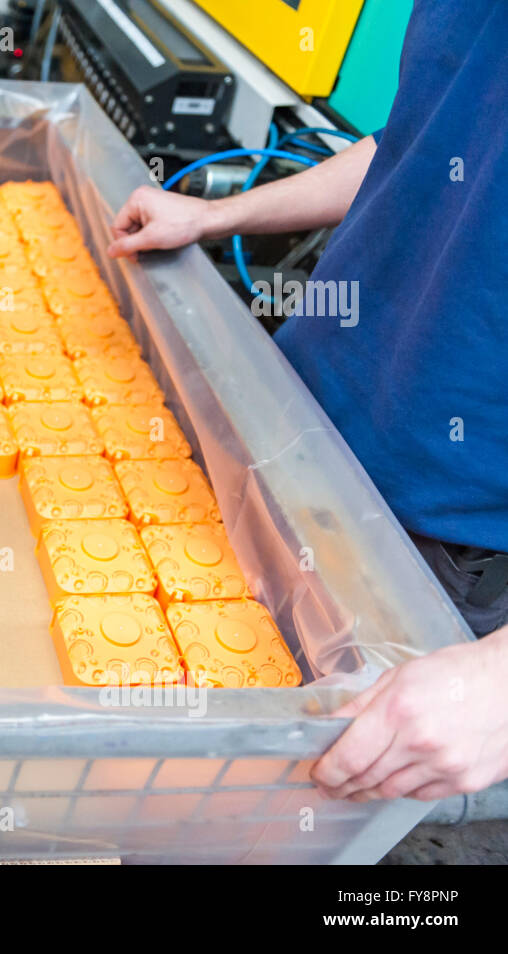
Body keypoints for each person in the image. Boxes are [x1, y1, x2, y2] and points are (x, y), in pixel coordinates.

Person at [107, 0, 508, 802]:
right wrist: (223, 215)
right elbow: (423, 141)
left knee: (291, 810)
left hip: (445, 538)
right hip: (300, 421)